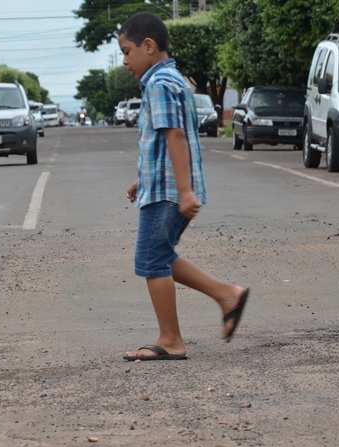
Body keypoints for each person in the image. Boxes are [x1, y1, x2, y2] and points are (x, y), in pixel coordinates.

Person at [118, 12, 249, 362]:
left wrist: (185, 191)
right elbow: (164, 142)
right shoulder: (170, 79)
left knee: (151, 259)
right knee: (159, 256)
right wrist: (142, 179)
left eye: (127, 51)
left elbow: (176, 136)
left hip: (168, 192)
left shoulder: (160, 84)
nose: (125, 61)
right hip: (162, 186)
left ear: (149, 46)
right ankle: (227, 295)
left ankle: (172, 339)